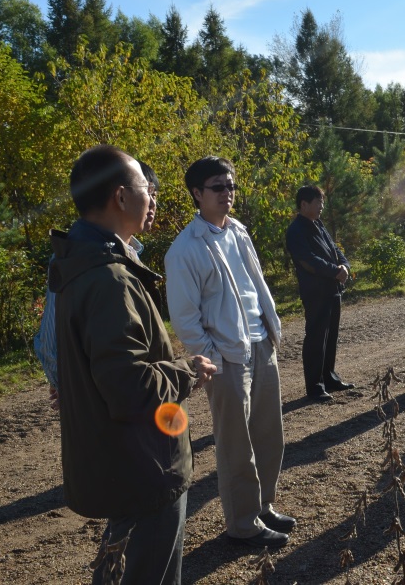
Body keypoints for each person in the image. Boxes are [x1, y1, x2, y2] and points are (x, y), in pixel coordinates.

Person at [49, 145, 216, 584]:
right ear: (121, 197)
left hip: (124, 462)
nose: (151, 197)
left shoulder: (79, 262)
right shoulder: (108, 278)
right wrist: (188, 370)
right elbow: (129, 386)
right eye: (145, 187)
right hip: (143, 467)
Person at [165, 156, 294, 549]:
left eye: (231, 185)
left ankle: (263, 506)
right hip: (226, 358)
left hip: (260, 345)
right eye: (218, 187)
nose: (228, 193)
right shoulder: (185, 249)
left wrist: (270, 334)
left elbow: (255, 286)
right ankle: (242, 524)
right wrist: (213, 359)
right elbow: (185, 319)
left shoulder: (238, 231)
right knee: (237, 446)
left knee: (270, 435)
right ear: (197, 193)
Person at [34, 162, 159, 411]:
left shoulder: (131, 254)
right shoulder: (82, 258)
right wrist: (69, 385)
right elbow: (51, 336)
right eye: (148, 193)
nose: (153, 204)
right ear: (121, 197)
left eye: (155, 195)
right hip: (110, 409)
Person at [285, 185, 354, 402]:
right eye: (318, 202)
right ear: (304, 205)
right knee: (316, 337)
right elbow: (308, 261)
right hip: (316, 292)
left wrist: (344, 266)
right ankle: (314, 386)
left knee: (330, 337)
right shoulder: (296, 230)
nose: (322, 205)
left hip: (332, 289)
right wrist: (335, 271)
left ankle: (329, 377)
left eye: (322, 201)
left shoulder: (319, 225)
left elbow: (336, 250)